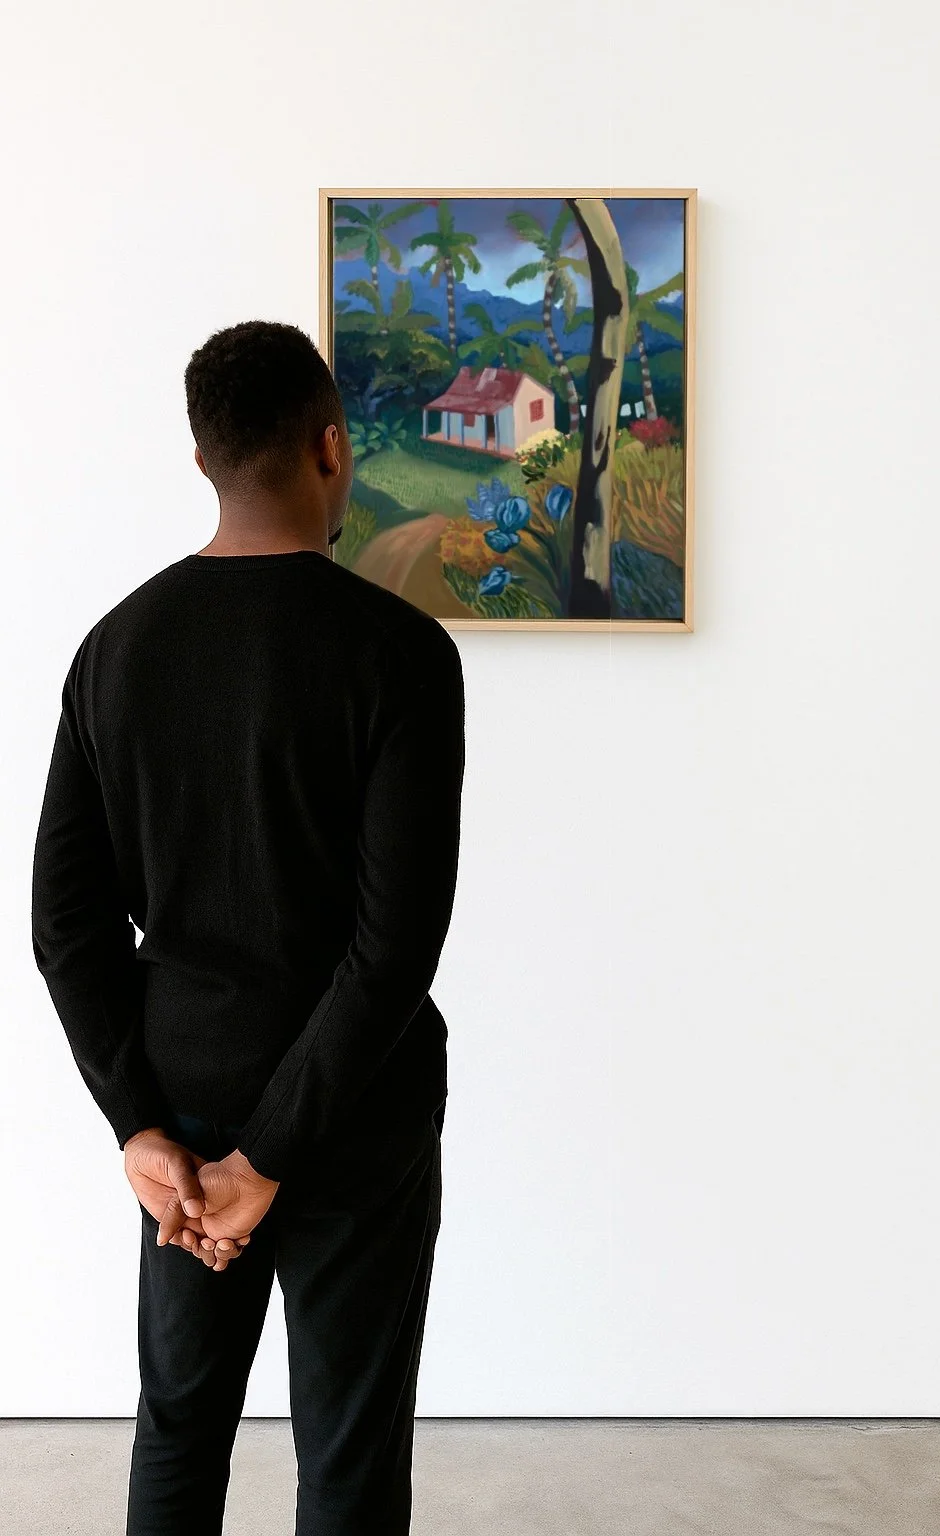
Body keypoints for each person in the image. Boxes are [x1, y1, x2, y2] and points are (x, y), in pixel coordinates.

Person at [30, 319, 467, 1535]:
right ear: (333, 449)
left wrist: (144, 1131)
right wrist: (268, 1160)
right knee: (348, 1451)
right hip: (356, 1122)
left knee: (177, 1429)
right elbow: (394, 945)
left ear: (203, 460)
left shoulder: (115, 651)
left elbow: (67, 924)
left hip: (184, 1114)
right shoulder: (403, 657)